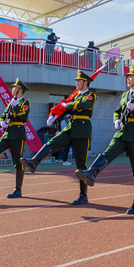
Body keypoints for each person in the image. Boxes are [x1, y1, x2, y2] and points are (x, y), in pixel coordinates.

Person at [76, 66, 134, 214]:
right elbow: (117, 111)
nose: (128, 79)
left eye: (131, 77)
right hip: (122, 132)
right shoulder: (124, 95)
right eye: (127, 77)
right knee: (108, 152)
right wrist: (116, 120)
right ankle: (91, 173)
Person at [21, 70, 97, 205]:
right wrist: (53, 116)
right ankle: (34, 161)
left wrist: (67, 105)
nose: (77, 83)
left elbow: (84, 105)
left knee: (81, 164)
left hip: (82, 130)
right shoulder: (75, 96)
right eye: (76, 81)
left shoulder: (90, 95)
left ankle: (83, 195)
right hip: (71, 127)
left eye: (79, 81)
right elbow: (64, 108)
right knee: (53, 142)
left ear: (85, 83)